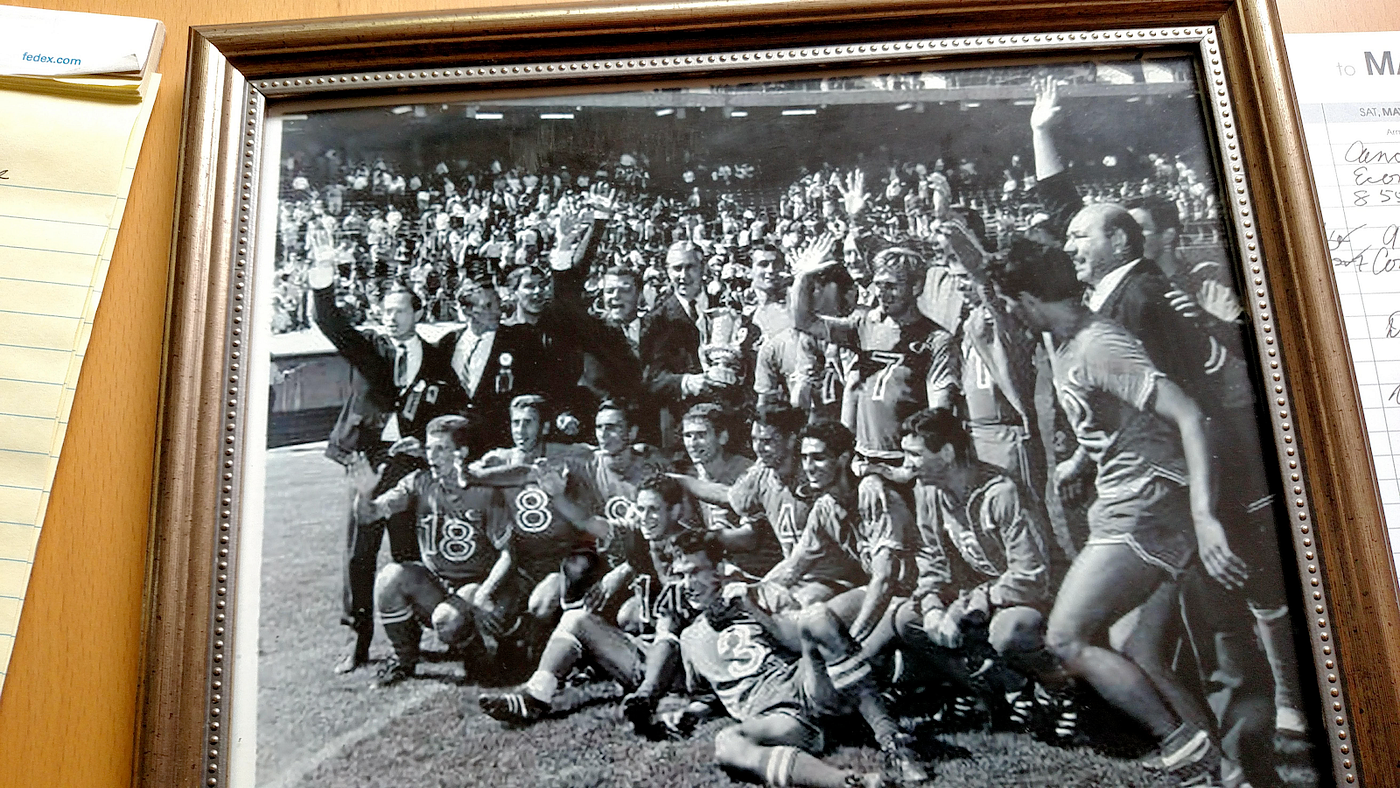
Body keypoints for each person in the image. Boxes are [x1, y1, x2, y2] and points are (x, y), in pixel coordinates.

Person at [985, 241, 1245, 786]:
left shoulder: (1100, 344)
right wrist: (1083, 456)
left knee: (1065, 638)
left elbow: (1189, 416)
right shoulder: (1063, 341)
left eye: (1010, 304)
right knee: (1137, 648)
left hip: (1150, 505)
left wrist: (1204, 516)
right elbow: (1115, 416)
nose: (1007, 313)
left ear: (1027, 299)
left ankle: (1183, 748)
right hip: (1123, 499)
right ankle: (1226, 774)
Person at [308, 246, 453, 674]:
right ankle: (359, 637)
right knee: (360, 552)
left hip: (408, 464)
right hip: (366, 464)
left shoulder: (436, 355)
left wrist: (424, 446)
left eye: (400, 310)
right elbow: (329, 321)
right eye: (386, 310)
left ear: (417, 312)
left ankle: (407, 635)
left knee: (406, 550)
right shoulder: (368, 346)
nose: (391, 317)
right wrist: (322, 277)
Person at [890, 408, 1070, 735]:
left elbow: (1032, 575)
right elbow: (932, 561)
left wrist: (965, 606)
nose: (907, 464)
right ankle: (999, 690)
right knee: (908, 620)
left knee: (1008, 630)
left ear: (946, 453)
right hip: (984, 596)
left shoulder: (1002, 492)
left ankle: (1063, 690)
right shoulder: (927, 493)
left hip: (1038, 595)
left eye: (914, 454)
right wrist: (931, 607)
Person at [351, 415, 506, 686]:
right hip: (437, 585)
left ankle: (475, 648)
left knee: (448, 620)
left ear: (462, 453)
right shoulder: (419, 482)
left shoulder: (484, 489)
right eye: (429, 448)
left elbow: (510, 552)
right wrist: (365, 493)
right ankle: (404, 660)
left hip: (477, 587)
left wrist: (486, 591)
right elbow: (369, 515)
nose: (431, 457)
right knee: (391, 577)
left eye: (440, 449)